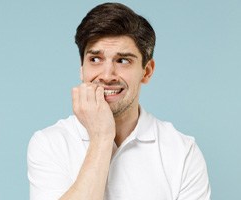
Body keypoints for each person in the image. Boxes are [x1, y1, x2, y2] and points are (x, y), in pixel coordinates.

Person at [27, 2, 211, 200]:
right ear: (82, 68)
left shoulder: (183, 152)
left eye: (123, 60)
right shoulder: (49, 143)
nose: (107, 76)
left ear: (146, 71)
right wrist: (101, 138)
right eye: (95, 59)